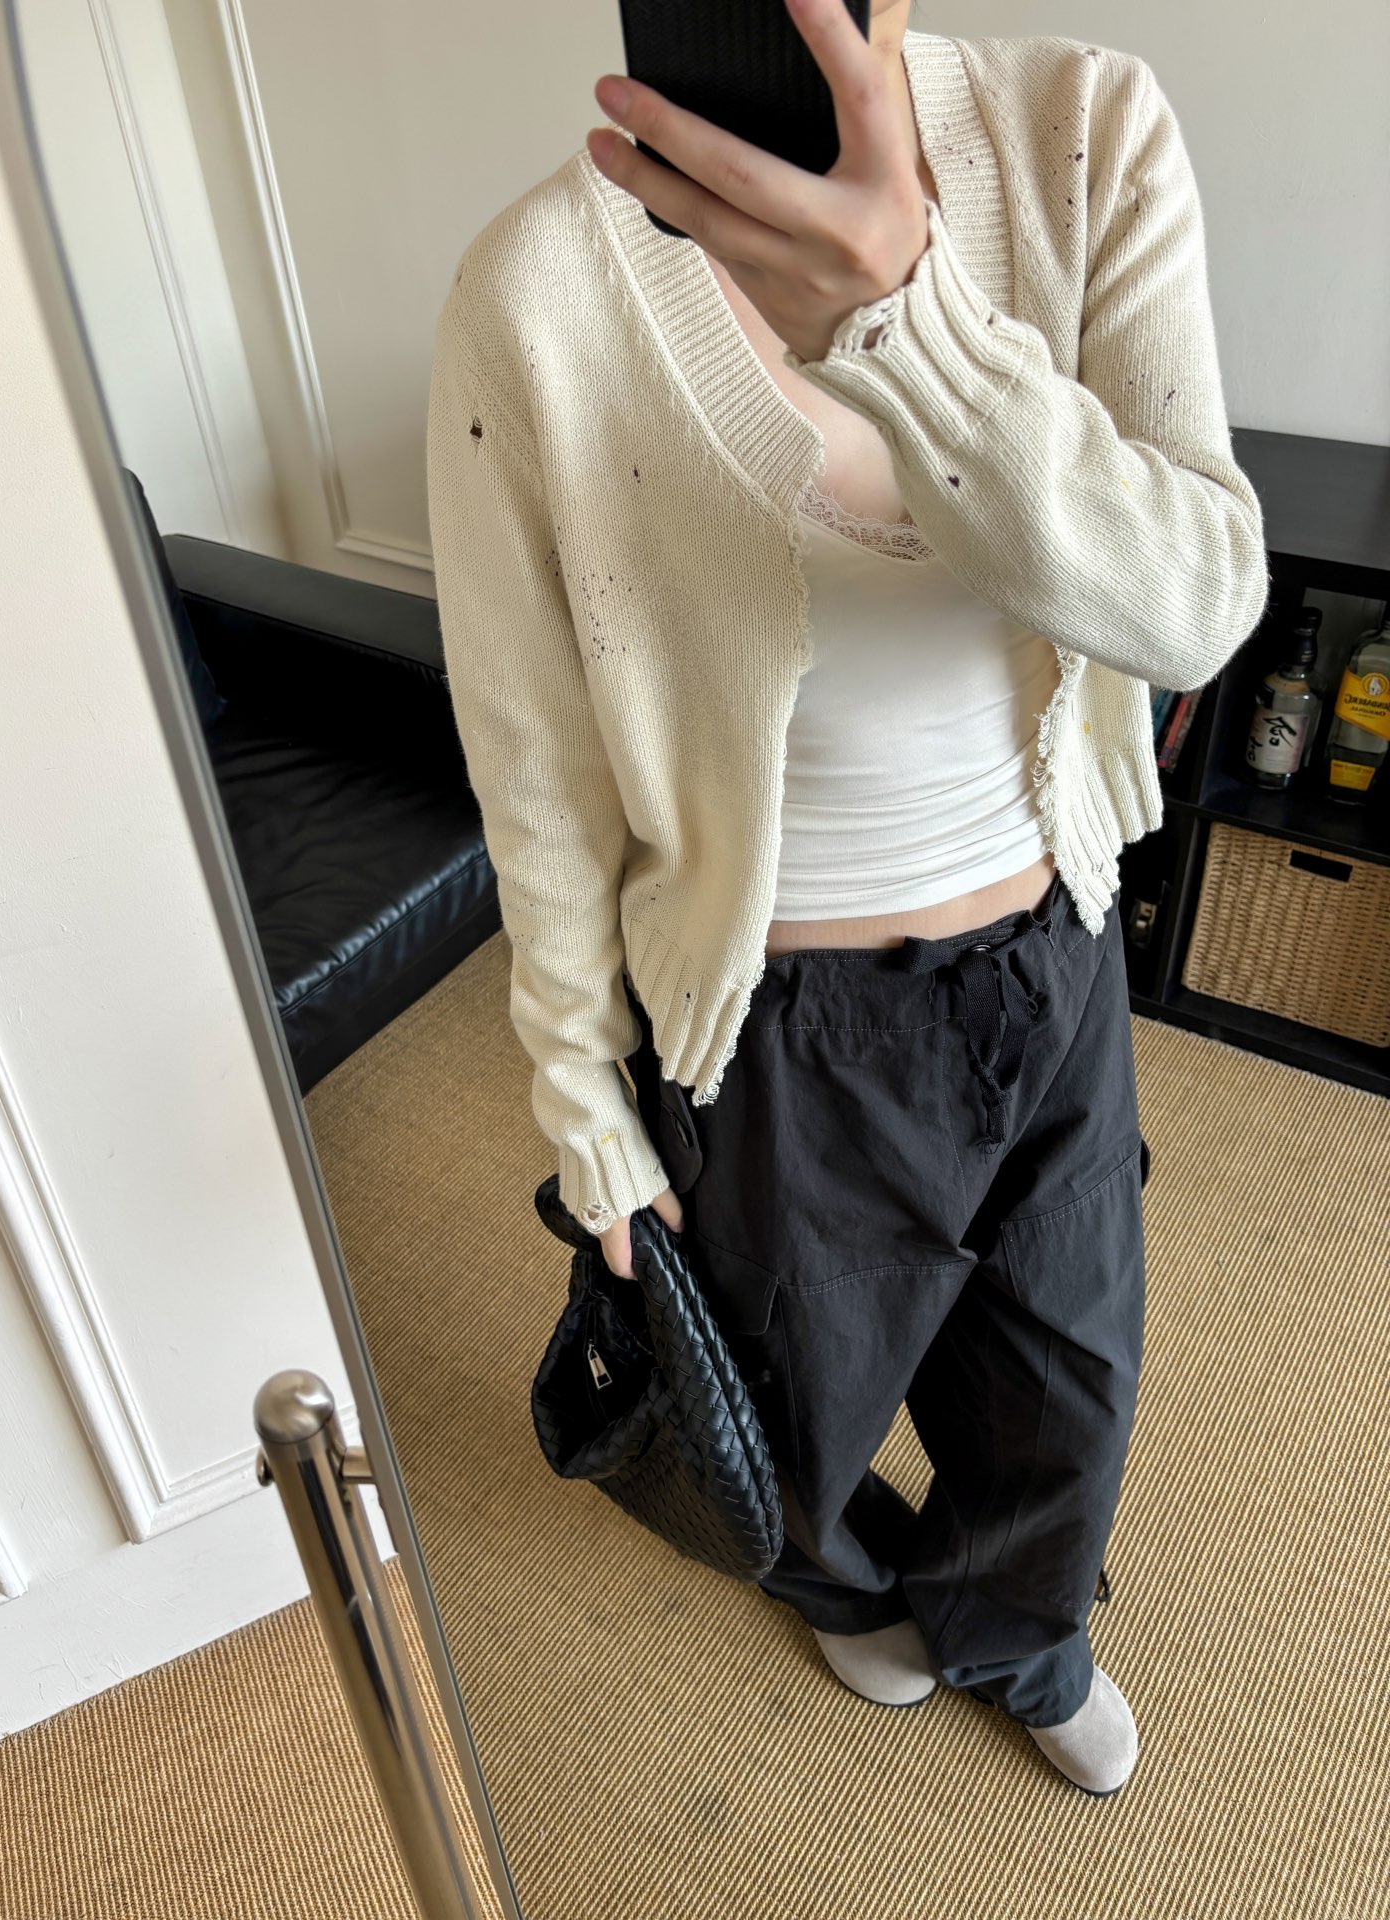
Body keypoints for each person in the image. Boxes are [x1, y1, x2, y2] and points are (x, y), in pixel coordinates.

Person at [426, 0, 1268, 1800]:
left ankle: (1022, 1634)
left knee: (1065, 1379)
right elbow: (536, 769)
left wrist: (902, 322)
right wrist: (585, 1111)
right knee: (792, 1400)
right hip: (773, 1026)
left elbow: (1194, 607)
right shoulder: (536, 290)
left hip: (1050, 953)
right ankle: (841, 1585)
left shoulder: (1083, 138)